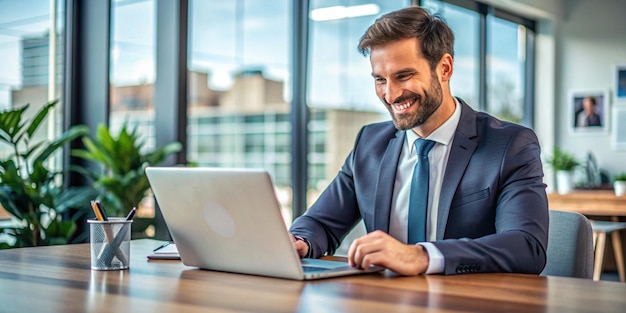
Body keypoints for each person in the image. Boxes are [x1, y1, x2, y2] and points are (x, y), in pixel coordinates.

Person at [289, 6, 549, 276]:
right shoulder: (370, 143)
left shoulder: (509, 145)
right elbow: (321, 222)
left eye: (404, 76)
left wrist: (423, 256)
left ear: (445, 68)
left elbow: (526, 246)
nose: (390, 94)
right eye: (380, 80)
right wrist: (298, 241)